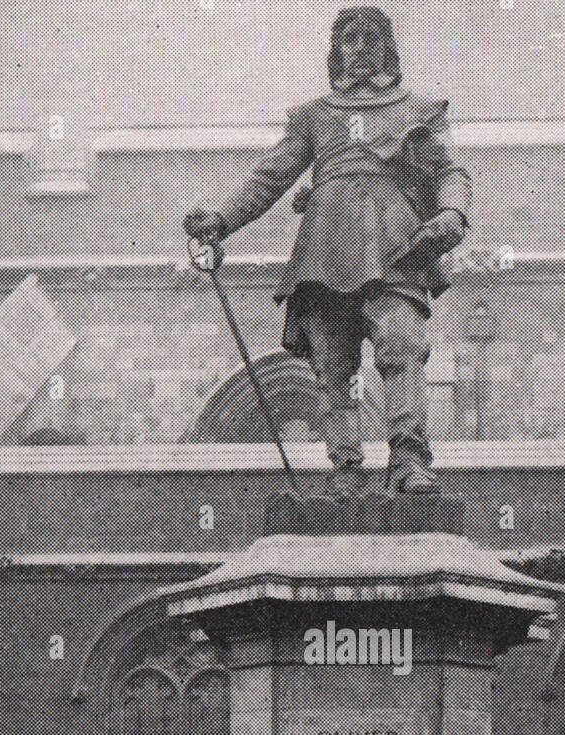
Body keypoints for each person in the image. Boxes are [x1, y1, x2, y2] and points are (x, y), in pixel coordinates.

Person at [184, 7, 472, 495]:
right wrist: (223, 219)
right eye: (349, 40)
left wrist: (453, 213)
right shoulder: (313, 117)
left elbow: (449, 172)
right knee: (333, 370)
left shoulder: (419, 112)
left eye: (370, 38)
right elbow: (269, 177)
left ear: (388, 48)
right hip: (325, 254)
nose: (359, 48)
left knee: (402, 348)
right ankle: (345, 470)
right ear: (336, 51)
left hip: (395, 249)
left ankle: (409, 461)